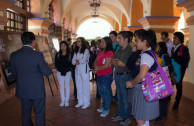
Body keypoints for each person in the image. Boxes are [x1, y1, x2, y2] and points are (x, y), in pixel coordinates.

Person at [10, 32, 51, 126]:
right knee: (39, 114)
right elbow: (47, 72)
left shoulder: (14, 55)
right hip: (37, 91)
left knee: (25, 114)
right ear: (33, 41)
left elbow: (13, 72)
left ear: (22, 41)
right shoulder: (37, 55)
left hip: (23, 89)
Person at [126, 29, 159, 126]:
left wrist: (131, 82)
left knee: (140, 118)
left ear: (144, 41)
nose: (134, 42)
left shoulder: (146, 55)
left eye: (136, 40)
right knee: (143, 117)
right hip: (144, 89)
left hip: (144, 90)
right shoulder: (146, 53)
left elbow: (141, 76)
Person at [111, 31, 132, 126]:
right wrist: (116, 61)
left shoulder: (128, 49)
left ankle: (127, 118)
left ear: (126, 39)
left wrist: (116, 61)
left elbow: (121, 63)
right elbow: (113, 60)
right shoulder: (120, 49)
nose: (117, 39)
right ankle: (120, 114)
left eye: (119, 38)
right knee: (120, 98)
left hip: (125, 76)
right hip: (118, 75)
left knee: (125, 99)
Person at [93, 37, 114, 117]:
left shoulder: (109, 52)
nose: (100, 44)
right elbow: (95, 60)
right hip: (100, 74)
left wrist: (97, 68)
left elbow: (106, 65)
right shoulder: (101, 51)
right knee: (101, 91)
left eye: (102, 42)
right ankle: (104, 106)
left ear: (107, 44)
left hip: (106, 75)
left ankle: (106, 109)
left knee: (106, 92)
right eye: (101, 42)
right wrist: (95, 67)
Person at [154, 42, 174, 122]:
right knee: (163, 97)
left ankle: (160, 115)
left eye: (158, 47)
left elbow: (170, 67)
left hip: (163, 79)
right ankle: (163, 113)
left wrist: (162, 67)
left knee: (161, 98)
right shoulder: (159, 56)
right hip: (162, 79)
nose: (156, 48)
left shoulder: (165, 56)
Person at [171, 32, 190, 110]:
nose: (173, 39)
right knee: (171, 83)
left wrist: (182, 72)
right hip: (173, 71)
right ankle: (168, 98)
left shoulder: (183, 48)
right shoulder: (174, 48)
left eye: (175, 38)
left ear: (179, 39)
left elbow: (185, 62)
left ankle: (177, 103)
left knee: (179, 86)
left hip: (179, 71)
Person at [72, 37, 90, 109]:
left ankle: (86, 102)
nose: (77, 42)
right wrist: (78, 61)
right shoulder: (76, 51)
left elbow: (83, 60)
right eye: (77, 41)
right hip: (77, 71)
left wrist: (78, 61)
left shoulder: (86, 50)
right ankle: (80, 101)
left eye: (79, 41)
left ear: (82, 42)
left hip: (84, 70)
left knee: (85, 87)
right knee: (79, 86)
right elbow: (73, 62)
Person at [55, 41, 72, 107]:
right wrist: (61, 69)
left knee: (67, 86)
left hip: (67, 72)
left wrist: (66, 70)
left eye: (64, 46)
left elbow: (70, 64)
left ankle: (67, 101)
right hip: (59, 72)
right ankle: (63, 100)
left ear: (66, 46)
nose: (63, 47)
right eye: (61, 46)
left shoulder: (70, 54)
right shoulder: (58, 54)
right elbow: (56, 64)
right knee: (61, 86)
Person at [109, 31, 120, 103]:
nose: (111, 38)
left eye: (112, 37)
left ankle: (115, 97)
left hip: (116, 65)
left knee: (115, 81)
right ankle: (110, 97)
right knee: (110, 81)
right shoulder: (108, 45)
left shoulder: (119, 45)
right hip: (109, 64)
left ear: (116, 37)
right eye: (110, 37)